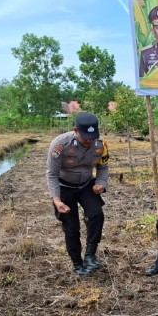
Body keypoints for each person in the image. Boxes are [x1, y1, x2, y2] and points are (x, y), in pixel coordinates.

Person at [46, 112, 110, 276]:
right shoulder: (60, 145)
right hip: (64, 186)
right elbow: (52, 174)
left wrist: (101, 184)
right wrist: (57, 200)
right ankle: (77, 263)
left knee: (97, 215)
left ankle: (90, 255)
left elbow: (103, 167)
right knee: (71, 226)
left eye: (92, 137)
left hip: (86, 184)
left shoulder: (100, 145)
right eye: (85, 138)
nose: (89, 141)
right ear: (75, 131)